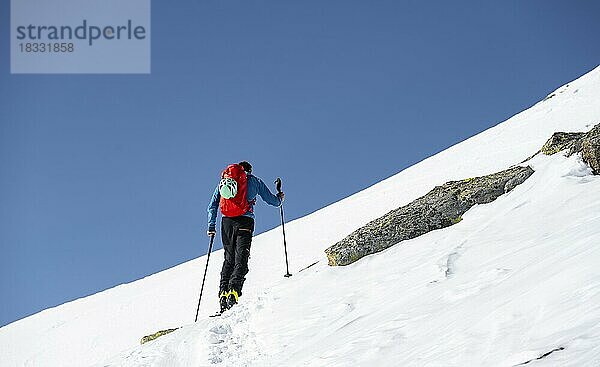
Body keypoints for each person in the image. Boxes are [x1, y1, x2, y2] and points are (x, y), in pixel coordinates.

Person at [207, 161, 284, 312]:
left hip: (226, 222)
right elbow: (272, 201)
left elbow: (212, 205)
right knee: (241, 257)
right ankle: (234, 293)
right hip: (245, 221)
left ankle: (223, 293)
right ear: (249, 170)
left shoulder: (224, 182)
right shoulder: (253, 181)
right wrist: (280, 198)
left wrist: (211, 226)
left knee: (229, 258)